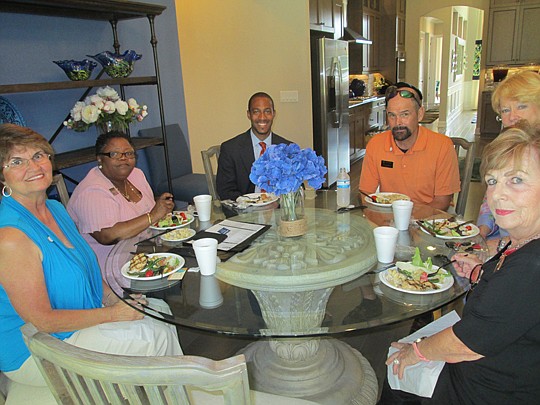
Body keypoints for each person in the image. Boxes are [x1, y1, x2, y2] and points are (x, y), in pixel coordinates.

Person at [0, 124, 181, 399]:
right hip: (36, 346)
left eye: (38, 155)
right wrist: (112, 315)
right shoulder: (11, 237)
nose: (33, 166)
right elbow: (41, 320)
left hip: (78, 315)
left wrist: (113, 300)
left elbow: (89, 266)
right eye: (16, 161)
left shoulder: (54, 208)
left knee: (159, 310)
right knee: (154, 336)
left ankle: (144, 393)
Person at [378, 124, 540, 404]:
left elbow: (466, 345)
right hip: (498, 363)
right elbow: (509, 310)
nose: (498, 194)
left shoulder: (531, 267)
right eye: (492, 181)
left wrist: (416, 351)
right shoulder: (520, 241)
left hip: (490, 388)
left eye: (516, 180)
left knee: (393, 371)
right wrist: (480, 271)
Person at [67, 131, 175, 271]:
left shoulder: (136, 174)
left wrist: (162, 205)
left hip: (146, 252)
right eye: (115, 154)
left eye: (129, 153)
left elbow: (144, 208)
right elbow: (107, 235)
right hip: (113, 268)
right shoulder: (92, 191)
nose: (123, 158)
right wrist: (153, 215)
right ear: (100, 159)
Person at [359, 82, 460, 211]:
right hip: (389, 217)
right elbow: (365, 193)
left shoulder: (442, 146)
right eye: (392, 115)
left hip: (432, 218)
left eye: (405, 114)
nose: (398, 122)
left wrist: (408, 220)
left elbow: (442, 201)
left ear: (420, 114)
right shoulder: (376, 144)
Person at [477, 70, 540, 245]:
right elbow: (491, 198)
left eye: (521, 106)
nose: (512, 117)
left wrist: (496, 247)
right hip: (500, 239)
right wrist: (482, 230)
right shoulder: (507, 145)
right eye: (505, 110)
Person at [216, 92, 292, 200]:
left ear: (274, 114)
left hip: (279, 211)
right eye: (256, 112)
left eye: (267, 111)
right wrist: (251, 205)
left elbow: (297, 187)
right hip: (245, 212)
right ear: (248, 114)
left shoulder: (287, 148)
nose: (262, 117)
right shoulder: (230, 149)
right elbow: (225, 191)